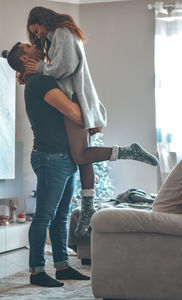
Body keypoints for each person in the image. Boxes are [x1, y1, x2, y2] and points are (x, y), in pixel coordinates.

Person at [23, 6, 159, 238]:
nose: (37, 36)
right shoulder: (58, 35)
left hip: (75, 98)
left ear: (41, 20)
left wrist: (37, 67)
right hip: (75, 97)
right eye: (33, 35)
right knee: (82, 158)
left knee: (79, 156)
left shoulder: (63, 33)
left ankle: (128, 151)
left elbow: (64, 67)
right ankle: (88, 209)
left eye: (35, 30)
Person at [7, 42, 91, 287]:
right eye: (27, 45)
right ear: (24, 58)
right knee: (44, 217)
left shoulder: (41, 80)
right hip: (51, 158)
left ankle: (62, 266)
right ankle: (37, 271)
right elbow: (75, 114)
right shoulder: (40, 83)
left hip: (63, 157)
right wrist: (88, 107)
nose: (34, 45)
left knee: (61, 216)